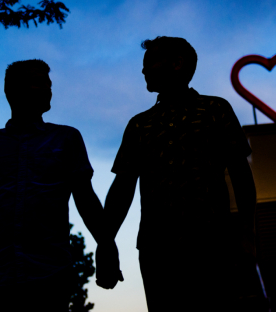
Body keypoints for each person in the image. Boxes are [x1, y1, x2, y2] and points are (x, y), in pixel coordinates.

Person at [101, 36, 257, 311]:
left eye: (150, 62)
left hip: (212, 245)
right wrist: (105, 243)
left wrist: (247, 233)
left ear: (177, 64)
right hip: (158, 251)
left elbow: (241, 174)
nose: (143, 70)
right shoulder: (139, 125)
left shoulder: (215, 110)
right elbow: (122, 187)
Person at [0, 59, 119, 312]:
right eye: (38, 83)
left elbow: (85, 197)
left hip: (49, 273)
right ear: (13, 91)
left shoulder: (67, 138)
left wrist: (107, 246)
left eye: (49, 84)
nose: (47, 90)